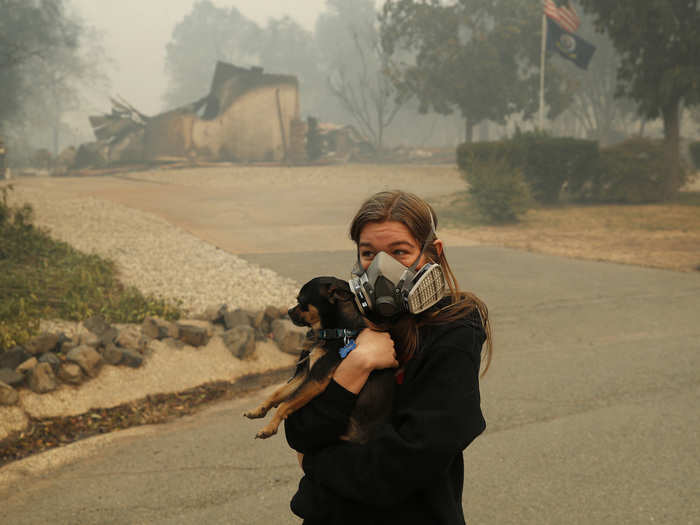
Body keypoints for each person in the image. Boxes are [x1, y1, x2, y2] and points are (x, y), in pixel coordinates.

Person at [284, 190, 492, 525]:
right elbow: (299, 430)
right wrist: (356, 365)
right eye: (369, 254)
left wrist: (314, 463)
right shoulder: (339, 320)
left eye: (400, 252)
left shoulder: (453, 330)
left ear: (432, 254)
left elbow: (402, 467)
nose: (382, 268)